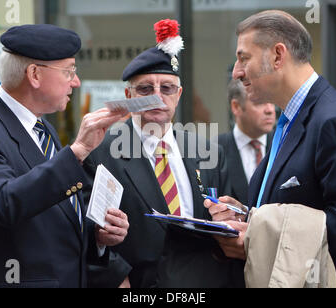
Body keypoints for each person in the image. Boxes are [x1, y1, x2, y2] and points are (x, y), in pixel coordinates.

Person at [0, 24, 129, 288]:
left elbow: (53, 216)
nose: (75, 81)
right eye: (69, 71)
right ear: (34, 74)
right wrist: (76, 152)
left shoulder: (42, 128)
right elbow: (5, 203)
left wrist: (99, 235)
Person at [205, 10, 336, 288]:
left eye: (243, 58)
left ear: (277, 55)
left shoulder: (333, 122)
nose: (237, 72)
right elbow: (296, 207)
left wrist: (257, 233)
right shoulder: (289, 121)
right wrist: (246, 215)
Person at [86, 19, 243, 288]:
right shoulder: (102, 153)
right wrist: (116, 279)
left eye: (167, 88)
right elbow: (90, 235)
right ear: (128, 95)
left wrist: (232, 218)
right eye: (145, 89)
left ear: (179, 94)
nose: (157, 97)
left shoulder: (207, 151)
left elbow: (227, 225)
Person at [218, 79, 275, 204]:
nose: (270, 110)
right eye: (260, 102)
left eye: (272, 100)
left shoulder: (285, 145)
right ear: (236, 107)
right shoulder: (214, 151)